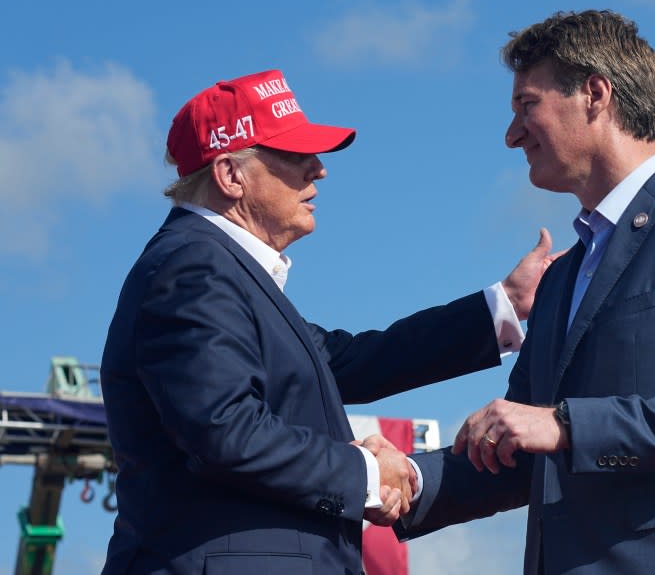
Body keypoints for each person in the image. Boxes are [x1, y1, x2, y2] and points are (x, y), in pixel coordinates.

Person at [99, 69, 556, 574]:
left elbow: (350, 361)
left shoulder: (216, 270)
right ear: (231, 176)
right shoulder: (194, 268)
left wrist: (508, 304)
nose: (318, 170)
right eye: (295, 155)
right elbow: (223, 430)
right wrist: (365, 472)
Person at [397, 10, 655, 574]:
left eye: (525, 106)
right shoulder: (561, 278)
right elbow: (517, 451)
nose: (511, 136)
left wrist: (564, 423)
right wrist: (403, 479)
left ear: (595, 94)